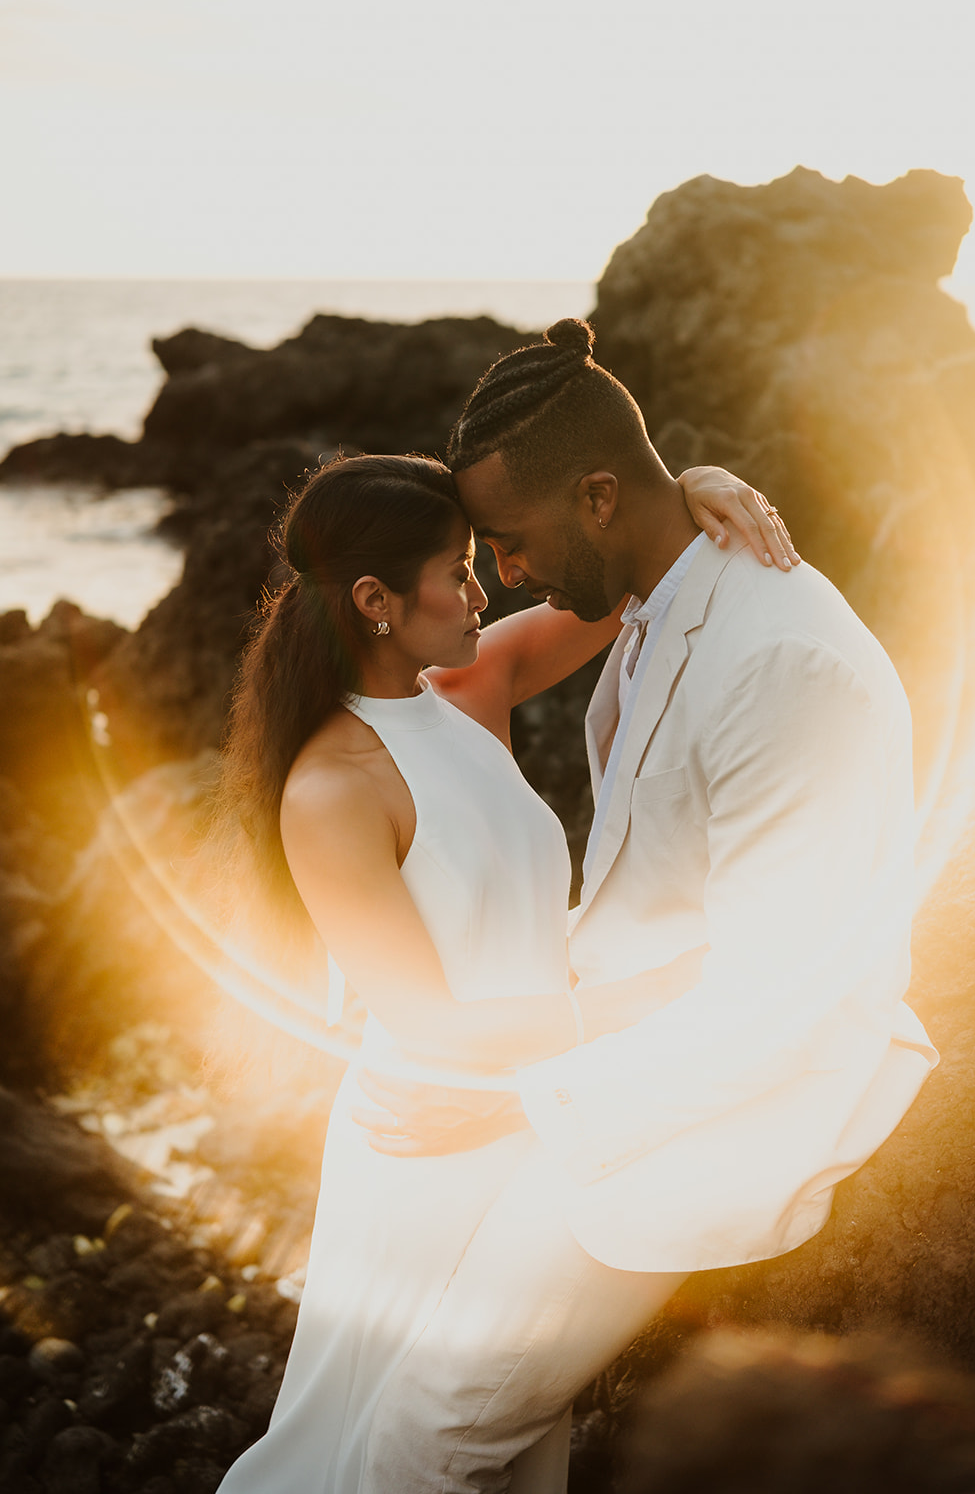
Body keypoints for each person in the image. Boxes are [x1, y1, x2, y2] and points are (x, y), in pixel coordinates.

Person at [351, 317, 938, 1490]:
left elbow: (780, 1007)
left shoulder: (782, 660)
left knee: (426, 1424)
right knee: (436, 1371)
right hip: (618, 1053)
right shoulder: (657, 595)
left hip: (724, 1102)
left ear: (602, 496)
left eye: (511, 543)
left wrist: (517, 1097)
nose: (503, 576)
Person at [213, 445, 792, 1494]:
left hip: (534, 1111)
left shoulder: (466, 682)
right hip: (431, 1144)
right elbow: (429, 1026)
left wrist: (693, 487)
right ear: (375, 600)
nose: (489, 590)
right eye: (459, 572)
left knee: (516, 1442)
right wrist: (661, 995)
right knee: (378, 1451)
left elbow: (632, 591)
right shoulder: (333, 790)